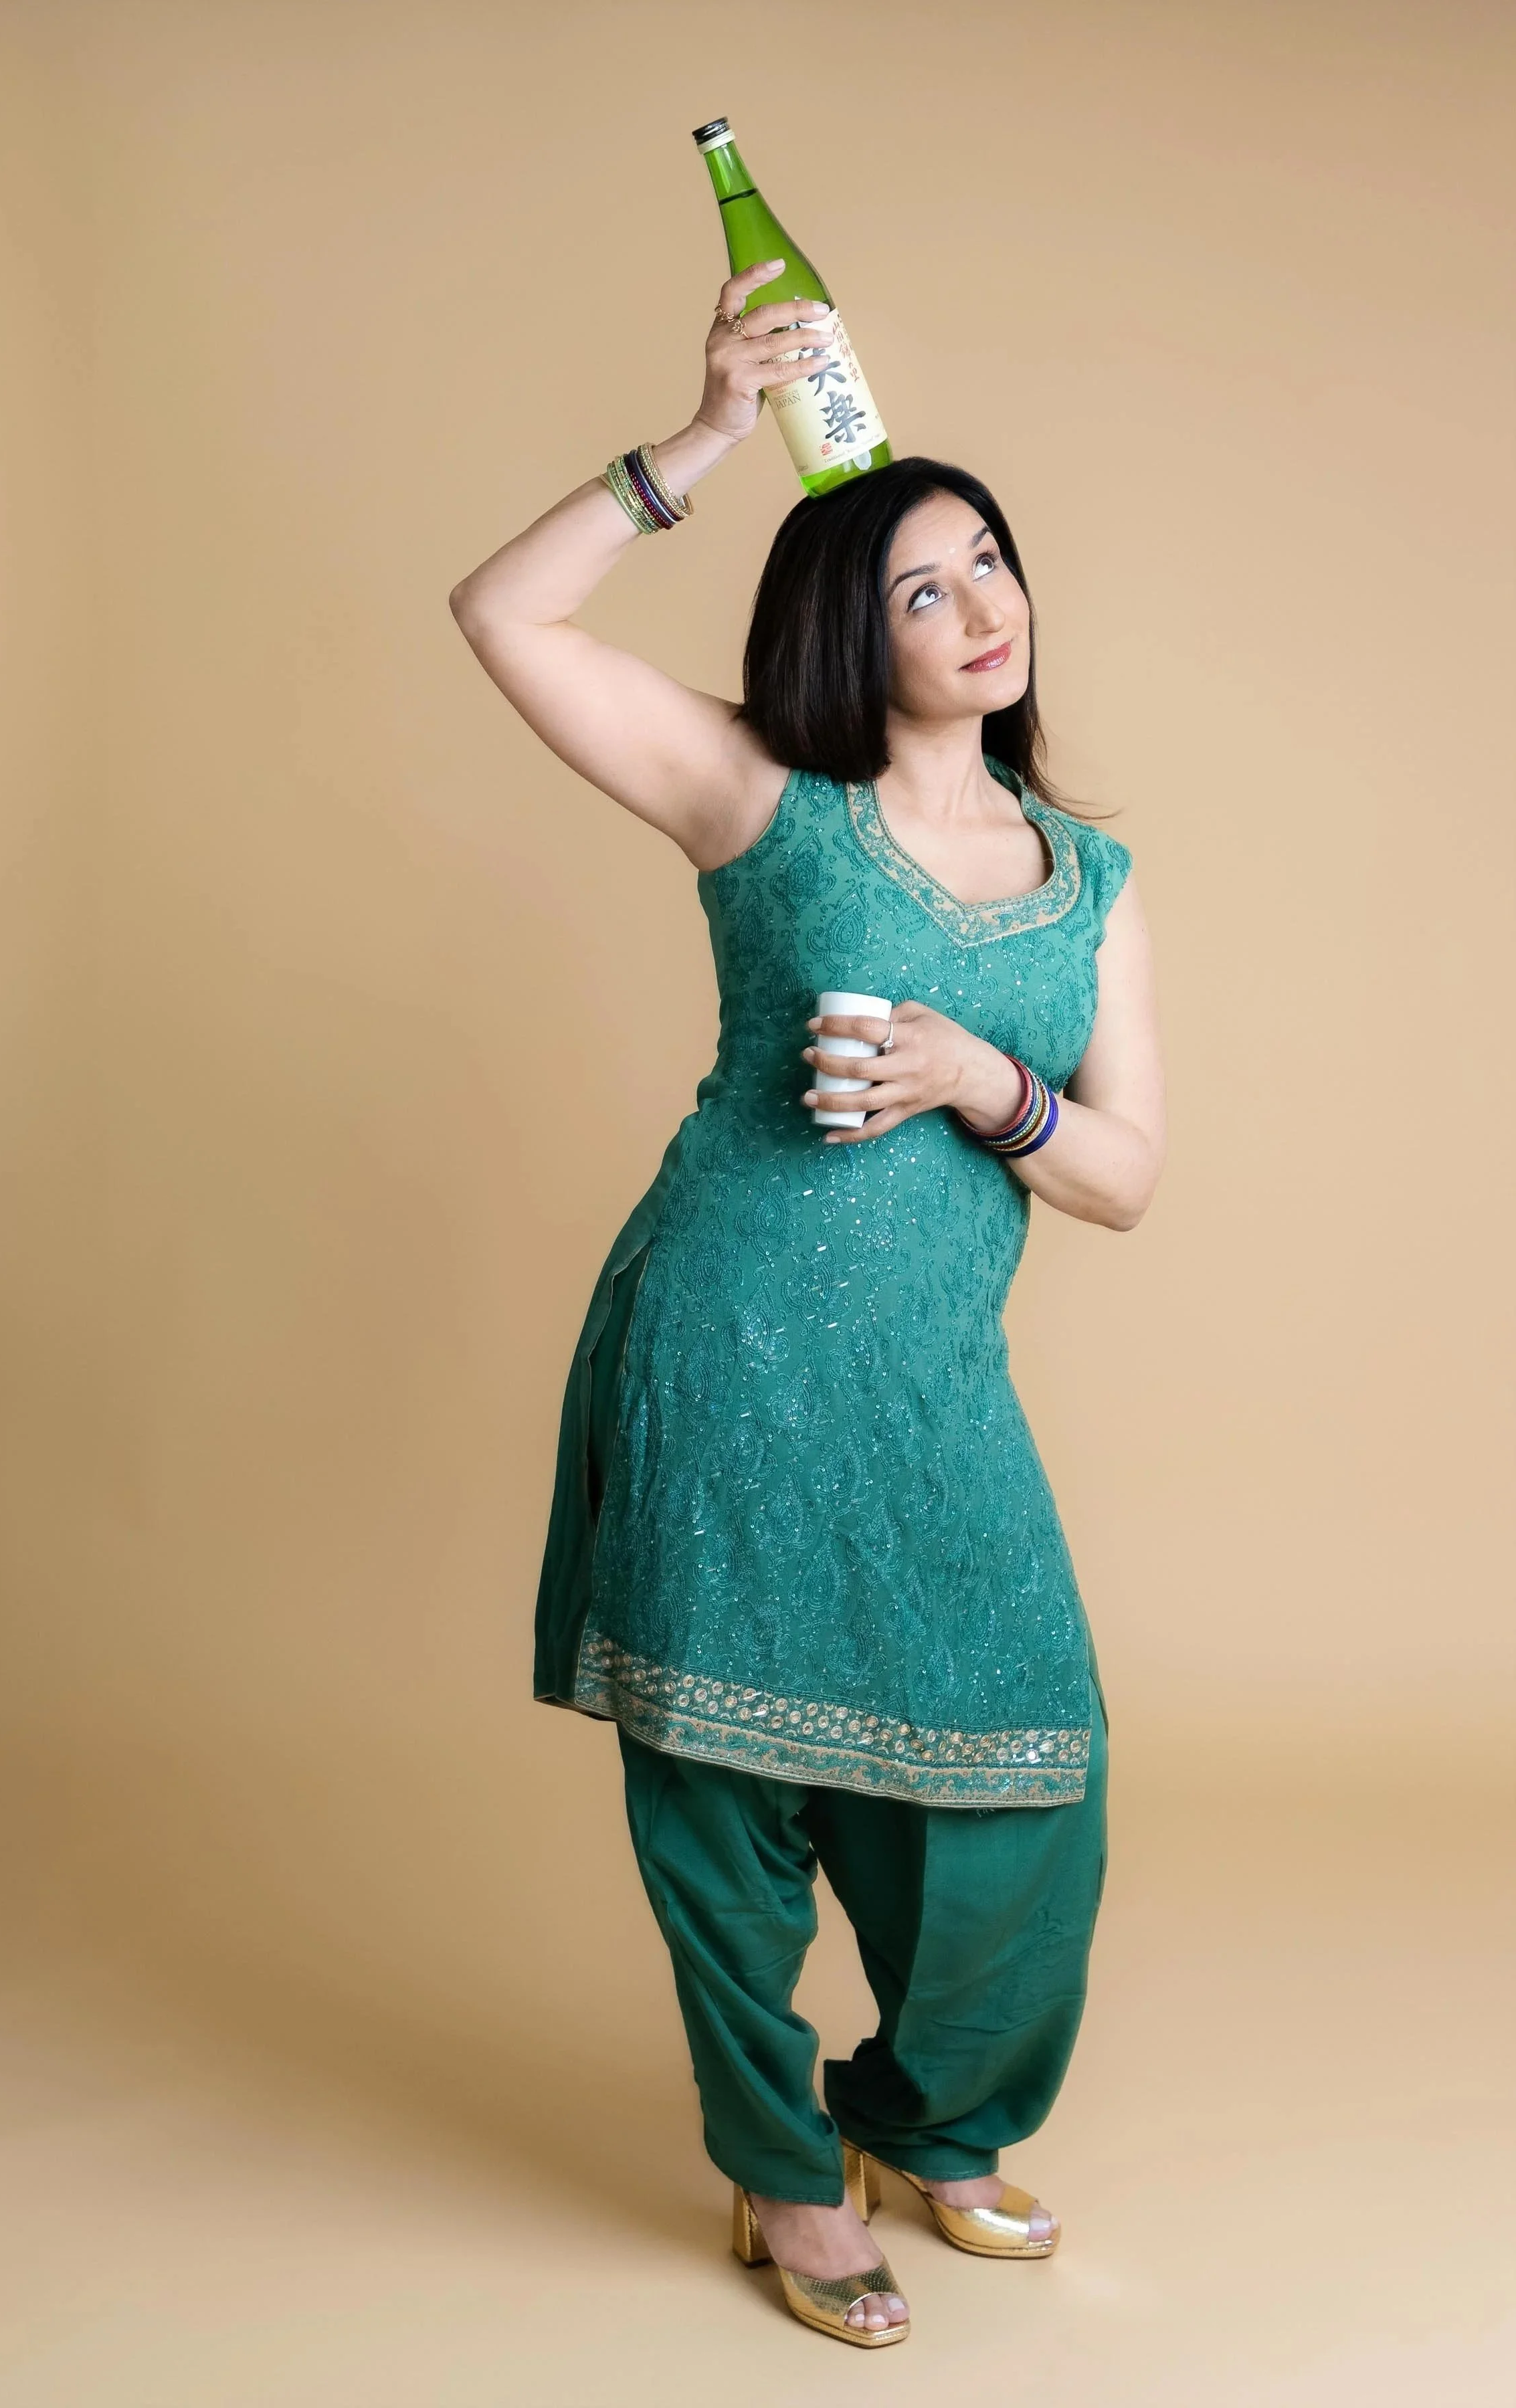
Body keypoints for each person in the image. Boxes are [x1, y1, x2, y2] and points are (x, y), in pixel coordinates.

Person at [450, 260, 1166, 2350]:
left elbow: (1122, 1172)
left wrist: (982, 1080)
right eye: (923, 587)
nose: (978, 604)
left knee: (1035, 1792)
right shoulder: (767, 798)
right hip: (724, 1342)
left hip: (934, 1382)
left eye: (990, 564)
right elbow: (507, 618)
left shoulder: (1092, 880)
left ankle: (929, 2122)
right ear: (850, 634)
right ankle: (784, 2177)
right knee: (726, 1798)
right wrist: (691, 451)